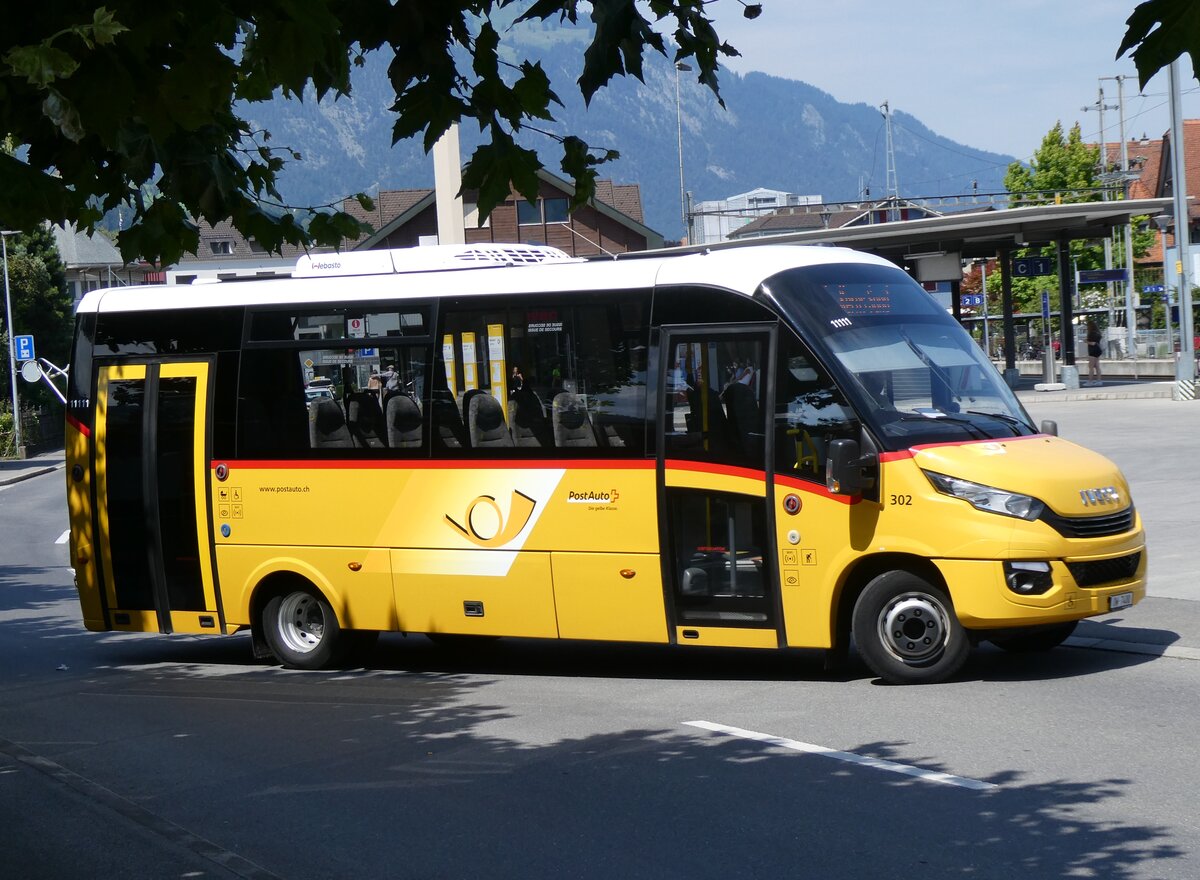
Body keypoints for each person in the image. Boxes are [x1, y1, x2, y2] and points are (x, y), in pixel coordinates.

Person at [1085, 321, 1103, 386]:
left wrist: (1086, 341)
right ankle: (1099, 380)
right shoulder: (1098, 333)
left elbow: (1093, 343)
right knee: (1097, 366)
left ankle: (1090, 381)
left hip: (1093, 351)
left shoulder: (1091, 333)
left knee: (1091, 367)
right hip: (1098, 350)